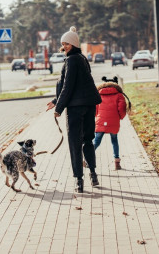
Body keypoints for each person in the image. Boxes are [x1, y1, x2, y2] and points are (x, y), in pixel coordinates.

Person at [46, 26, 102, 193]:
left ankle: (78, 180)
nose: (65, 47)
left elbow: (68, 86)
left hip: (76, 109)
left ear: (74, 44)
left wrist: (59, 108)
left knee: (75, 144)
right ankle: (93, 174)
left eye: (68, 44)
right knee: (88, 140)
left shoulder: (71, 60)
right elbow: (75, 85)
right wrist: (56, 101)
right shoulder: (82, 59)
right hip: (89, 104)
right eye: (63, 44)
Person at [93, 76, 129, 170]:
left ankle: (87, 158)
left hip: (100, 120)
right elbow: (122, 107)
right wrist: (121, 117)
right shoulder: (119, 95)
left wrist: (97, 116)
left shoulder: (98, 94)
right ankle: (117, 163)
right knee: (114, 140)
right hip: (114, 121)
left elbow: (95, 109)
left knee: (97, 141)